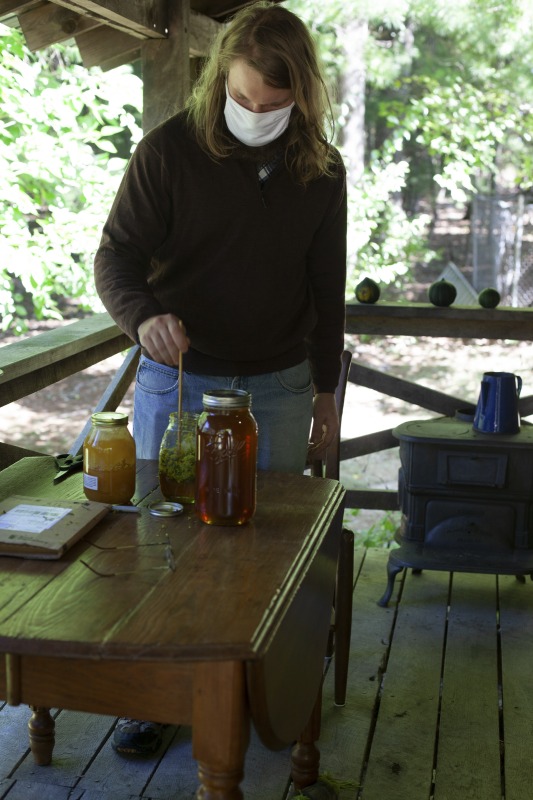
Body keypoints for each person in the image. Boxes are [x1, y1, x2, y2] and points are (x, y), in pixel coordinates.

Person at [93, 0, 347, 756]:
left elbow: (325, 290)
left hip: (278, 381)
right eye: (241, 99)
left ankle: (262, 690)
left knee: (264, 552)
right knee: (163, 545)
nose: (256, 114)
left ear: (302, 95)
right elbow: (115, 259)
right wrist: (142, 319)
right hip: (179, 382)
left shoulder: (322, 170)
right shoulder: (166, 152)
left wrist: (327, 391)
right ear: (217, 81)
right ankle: (156, 700)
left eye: (274, 104)